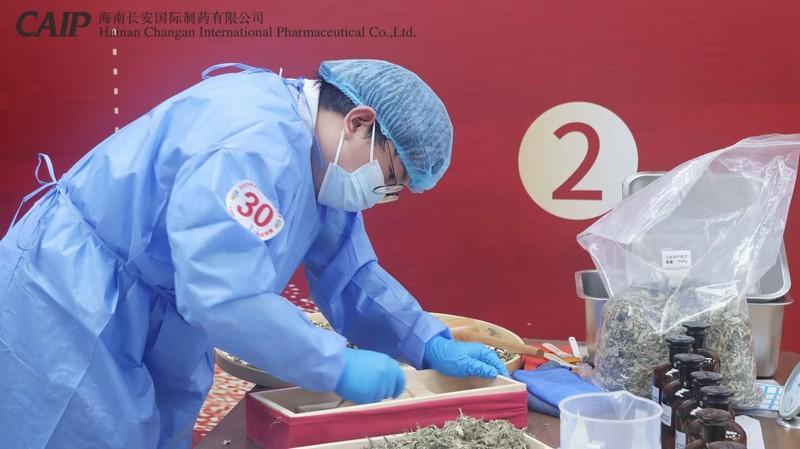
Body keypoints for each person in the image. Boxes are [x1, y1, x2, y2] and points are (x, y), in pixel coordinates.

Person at [0, 59, 508, 449]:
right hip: (73, 297)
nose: (383, 194)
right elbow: (222, 294)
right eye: (389, 177)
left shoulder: (321, 163)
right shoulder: (254, 144)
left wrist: (426, 341)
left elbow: (349, 272)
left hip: (162, 310)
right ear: (359, 121)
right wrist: (334, 365)